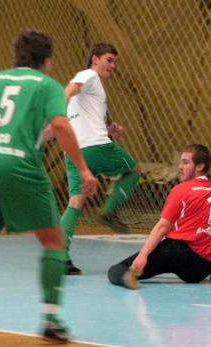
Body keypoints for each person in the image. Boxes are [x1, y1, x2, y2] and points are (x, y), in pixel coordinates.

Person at [0, 29, 97, 345]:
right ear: (47, 60)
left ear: (15, 57)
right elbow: (60, 124)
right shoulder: (47, 86)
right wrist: (83, 169)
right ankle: (51, 319)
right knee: (53, 242)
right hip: (19, 165)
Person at [60, 43, 141, 275]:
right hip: (95, 148)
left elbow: (83, 120)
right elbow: (68, 91)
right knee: (135, 170)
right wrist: (54, 115)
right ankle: (108, 211)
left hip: (75, 151)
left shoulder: (90, 91)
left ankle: (60, 257)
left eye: (115, 62)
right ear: (95, 59)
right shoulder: (89, 76)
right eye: (109, 60)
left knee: (75, 201)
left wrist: (108, 130)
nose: (113, 66)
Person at [108, 144, 211, 289]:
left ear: (199, 167)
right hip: (201, 270)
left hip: (176, 253)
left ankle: (125, 277)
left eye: (185, 162)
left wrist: (143, 254)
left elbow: (162, 226)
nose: (180, 166)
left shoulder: (182, 190)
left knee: (116, 270)